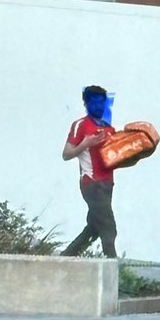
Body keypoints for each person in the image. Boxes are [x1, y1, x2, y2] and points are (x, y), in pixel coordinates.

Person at [60, 84, 117, 258]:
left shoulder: (109, 128)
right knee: (108, 226)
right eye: (94, 103)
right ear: (86, 104)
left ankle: (66, 257)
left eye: (101, 103)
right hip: (91, 182)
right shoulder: (80, 125)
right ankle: (112, 265)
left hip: (107, 183)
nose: (98, 106)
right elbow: (66, 154)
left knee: (94, 228)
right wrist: (86, 144)